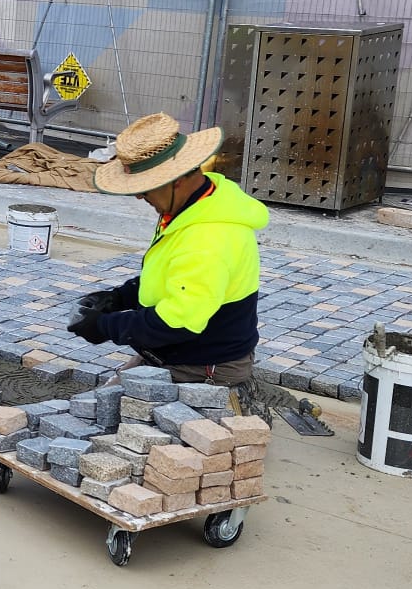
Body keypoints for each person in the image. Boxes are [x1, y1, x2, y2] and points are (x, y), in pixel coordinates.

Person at [68, 112, 268, 386]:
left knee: (106, 418)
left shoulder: (207, 238)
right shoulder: (194, 206)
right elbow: (169, 274)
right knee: (99, 401)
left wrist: (104, 327)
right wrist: (119, 297)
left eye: (147, 188)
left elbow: (177, 322)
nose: (139, 195)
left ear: (178, 178)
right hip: (176, 350)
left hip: (205, 364)